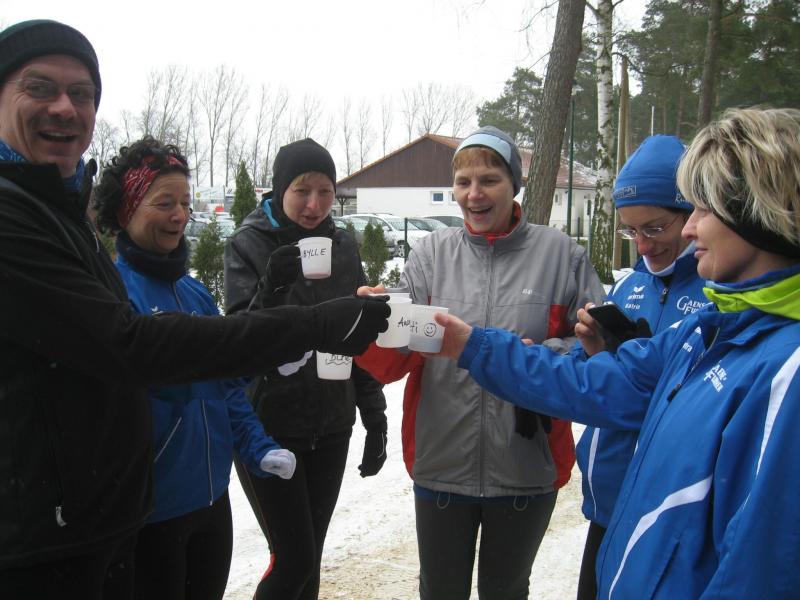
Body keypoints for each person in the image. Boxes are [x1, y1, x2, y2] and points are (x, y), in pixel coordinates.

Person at [0, 20, 388, 600]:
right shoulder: (23, 219)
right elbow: (136, 349)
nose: (181, 215)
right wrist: (305, 324)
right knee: (295, 560)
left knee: (307, 560)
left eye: (81, 93)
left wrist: (284, 434)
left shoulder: (97, 236)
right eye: (39, 87)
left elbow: (224, 381)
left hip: (186, 499)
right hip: (79, 526)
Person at [434, 107, 800, 599]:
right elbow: (597, 383)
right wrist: (474, 346)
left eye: (703, 210)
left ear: (757, 215)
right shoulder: (710, 329)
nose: (690, 230)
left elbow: (764, 569)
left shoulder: (786, 369)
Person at [355, 126, 606, 600]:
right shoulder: (431, 254)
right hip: (442, 462)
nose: (474, 194)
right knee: (440, 591)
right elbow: (396, 359)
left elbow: (595, 351)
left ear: (514, 185)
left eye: (489, 180)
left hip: (527, 466)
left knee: (506, 591)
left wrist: (537, 356)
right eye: (463, 182)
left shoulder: (560, 255)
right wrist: (372, 324)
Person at [91, 136, 300, 600]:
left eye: (185, 203)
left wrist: (257, 446)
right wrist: (261, 353)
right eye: (164, 203)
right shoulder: (113, 296)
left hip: (211, 502)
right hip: (152, 514)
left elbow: (224, 387)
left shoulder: (195, 294)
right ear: (127, 209)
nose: (180, 215)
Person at [224, 138, 388, 600]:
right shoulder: (248, 244)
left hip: (332, 424)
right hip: (268, 427)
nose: (314, 205)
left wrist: (374, 416)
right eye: (302, 191)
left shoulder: (343, 246)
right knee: (292, 559)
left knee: (309, 559)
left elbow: (357, 337)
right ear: (280, 190)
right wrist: (272, 287)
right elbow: (237, 341)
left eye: (325, 191)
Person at [573, 135, 709, 599]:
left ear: (692, 215)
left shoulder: (716, 287)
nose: (643, 247)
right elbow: (596, 376)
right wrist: (591, 349)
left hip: (666, 511)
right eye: (630, 231)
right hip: (607, 505)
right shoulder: (630, 285)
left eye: (654, 228)